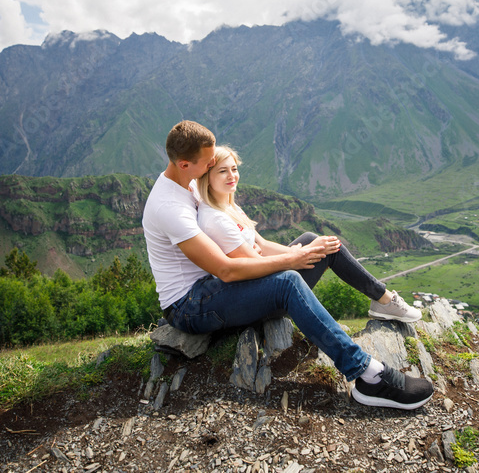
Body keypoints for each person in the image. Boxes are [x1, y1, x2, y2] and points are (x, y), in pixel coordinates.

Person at [142, 120, 433, 410]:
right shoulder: (170, 208)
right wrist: (294, 259)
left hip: (214, 287)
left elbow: (238, 244)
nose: (212, 167)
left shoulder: (188, 179)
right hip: (189, 305)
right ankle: (367, 374)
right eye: (208, 164)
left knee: (314, 243)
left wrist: (301, 251)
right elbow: (226, 270)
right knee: (289, 280)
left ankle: (382, 299)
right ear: (184, 164)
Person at [196, 144, 422, 324]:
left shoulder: (229, 207)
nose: (231, 176)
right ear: (208, 177)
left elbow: (262, 245)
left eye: (234, 169)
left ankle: (381, 299)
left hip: (258, 283)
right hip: (260, 299)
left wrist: (301, 250)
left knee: (311, 238)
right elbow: (253, 266)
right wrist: (299, 256)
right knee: (329, 250)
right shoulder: (216, 219)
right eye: (222, 171)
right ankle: (383, 299)